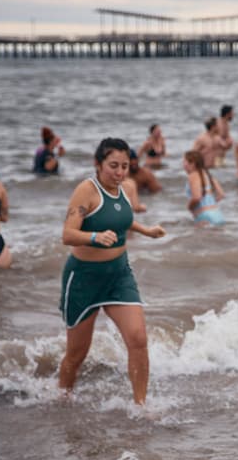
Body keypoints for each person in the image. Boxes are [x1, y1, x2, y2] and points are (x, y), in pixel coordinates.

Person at [57, 138, 166, 406]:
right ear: (98, 164)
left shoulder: (125, 187)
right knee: (77, 354)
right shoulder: (87, 190)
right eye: (113, 166)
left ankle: (141, 406)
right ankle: (62, 399)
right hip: (84, 277)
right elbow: (67, 234)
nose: (119, 172)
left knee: (138, 339)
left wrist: (146, 230)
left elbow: (121, 220)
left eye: (125, 166)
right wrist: (94, 237)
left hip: (119, 274)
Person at [183, 150, 225, 226]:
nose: (183, 164)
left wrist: (189, 207)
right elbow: (221, 195)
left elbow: (197, 197)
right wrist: (210, 204)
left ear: (193, 164)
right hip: (218, 214)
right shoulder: (207, 174)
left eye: (184, 162)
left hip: (205, 216)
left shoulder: (193, 175)